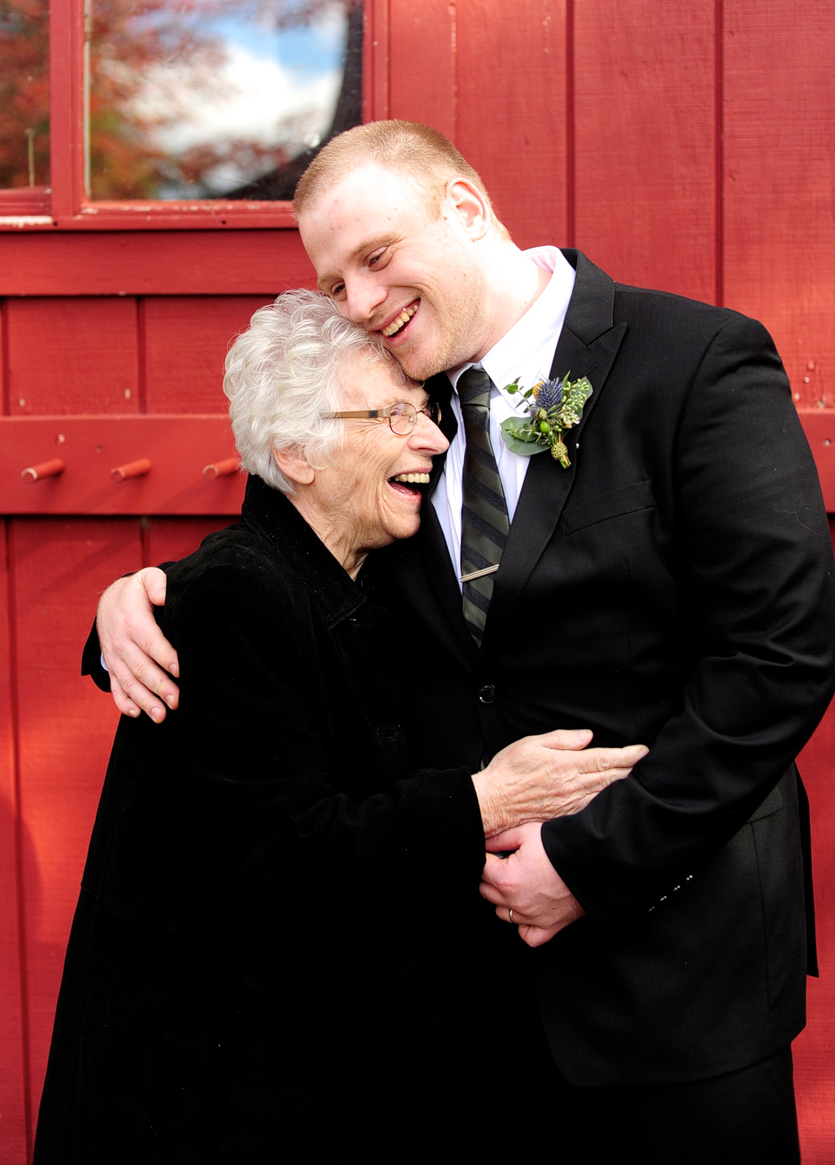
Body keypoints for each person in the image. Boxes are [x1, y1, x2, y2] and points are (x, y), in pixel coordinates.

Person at [92, 122, 835, 1163]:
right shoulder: (394, 403)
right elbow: (279, 553)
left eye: (375, 256)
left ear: (464, 208)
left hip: (675, 977)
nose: (358, 300)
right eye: (334, 279)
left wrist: (590, 860)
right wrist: (136, 599)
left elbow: (780, 652)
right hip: (451, 999)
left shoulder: (695, 363)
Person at [36, 289, 645, 1164]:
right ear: (296, 452)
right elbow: (288, 852)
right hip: (213, 1095)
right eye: (394, 414)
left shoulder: (363, 573)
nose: (435, 438)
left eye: (427, 411)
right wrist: (486, 798)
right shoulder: (235, 594)